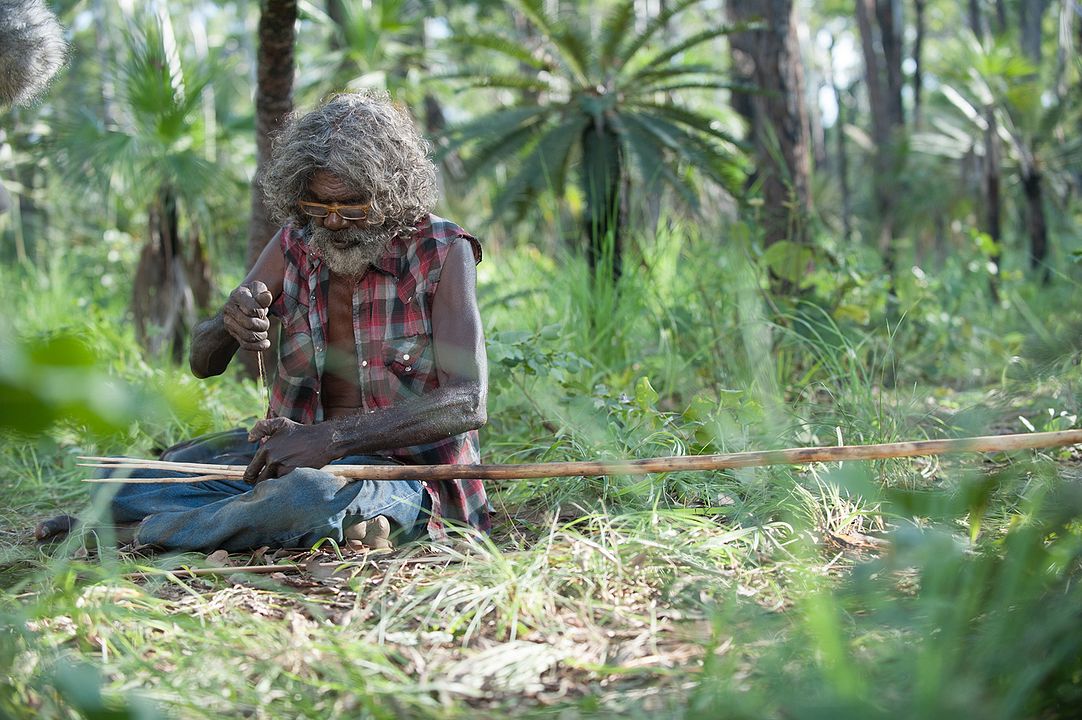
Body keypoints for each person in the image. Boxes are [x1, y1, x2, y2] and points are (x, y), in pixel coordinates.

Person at [35, 91, 490, 551]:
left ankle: (137, 535)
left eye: (352, 206)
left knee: (308, 495)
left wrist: (330, 439)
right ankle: (263, 519)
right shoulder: (295, 241)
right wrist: (227, 323)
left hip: (403, 476)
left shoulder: (442, 250)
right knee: (118, 483)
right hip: (285, 463)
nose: (332, 222)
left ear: (391, 194)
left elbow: (468, 402)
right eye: (317, 206)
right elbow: (202, 362)